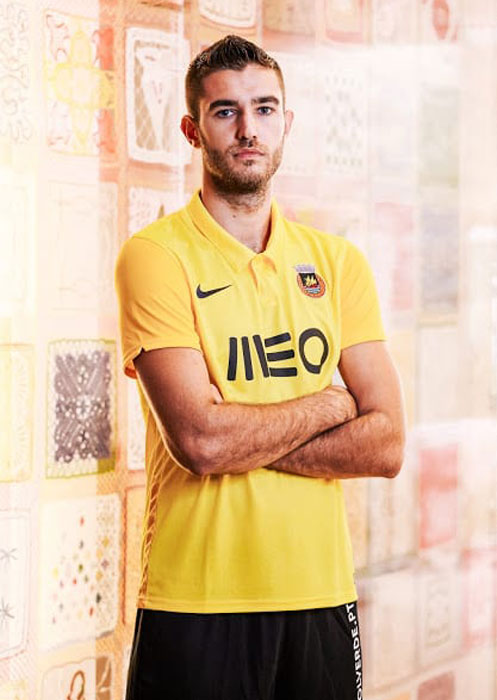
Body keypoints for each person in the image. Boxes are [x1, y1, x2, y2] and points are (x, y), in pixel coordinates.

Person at [115, 34, 405, 700]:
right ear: (192, 131)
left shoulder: (338, 263)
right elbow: (200, 441)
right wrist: (330, 406)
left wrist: (242, 433)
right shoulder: (156, 257)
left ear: (286, 122)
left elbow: (387, 444)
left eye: (264, 108)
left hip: (320, 595)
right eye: (226, 112)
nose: (248, 129)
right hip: (195, 602)